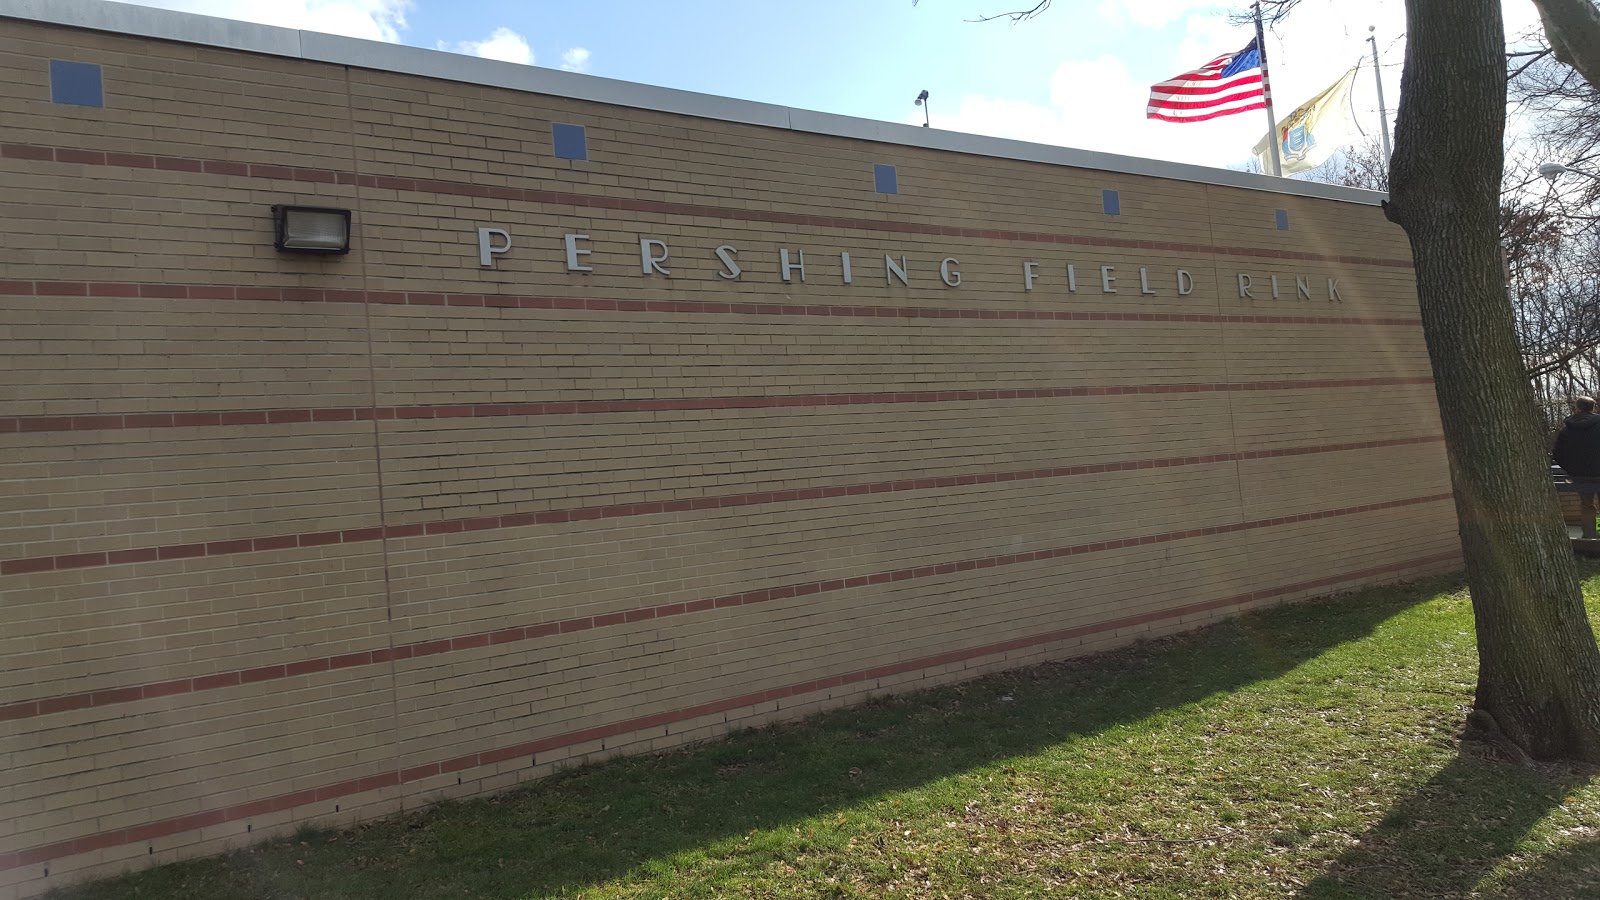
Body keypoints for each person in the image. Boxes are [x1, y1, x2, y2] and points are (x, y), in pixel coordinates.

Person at [1553, 396, 1600, 538]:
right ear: (1593, 408)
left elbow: (1558, 453)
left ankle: (1590, 534)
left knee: (1587, 506)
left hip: (1579, 476)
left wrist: (1571, 469)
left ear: (1577, 408)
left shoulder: (1566, 430)